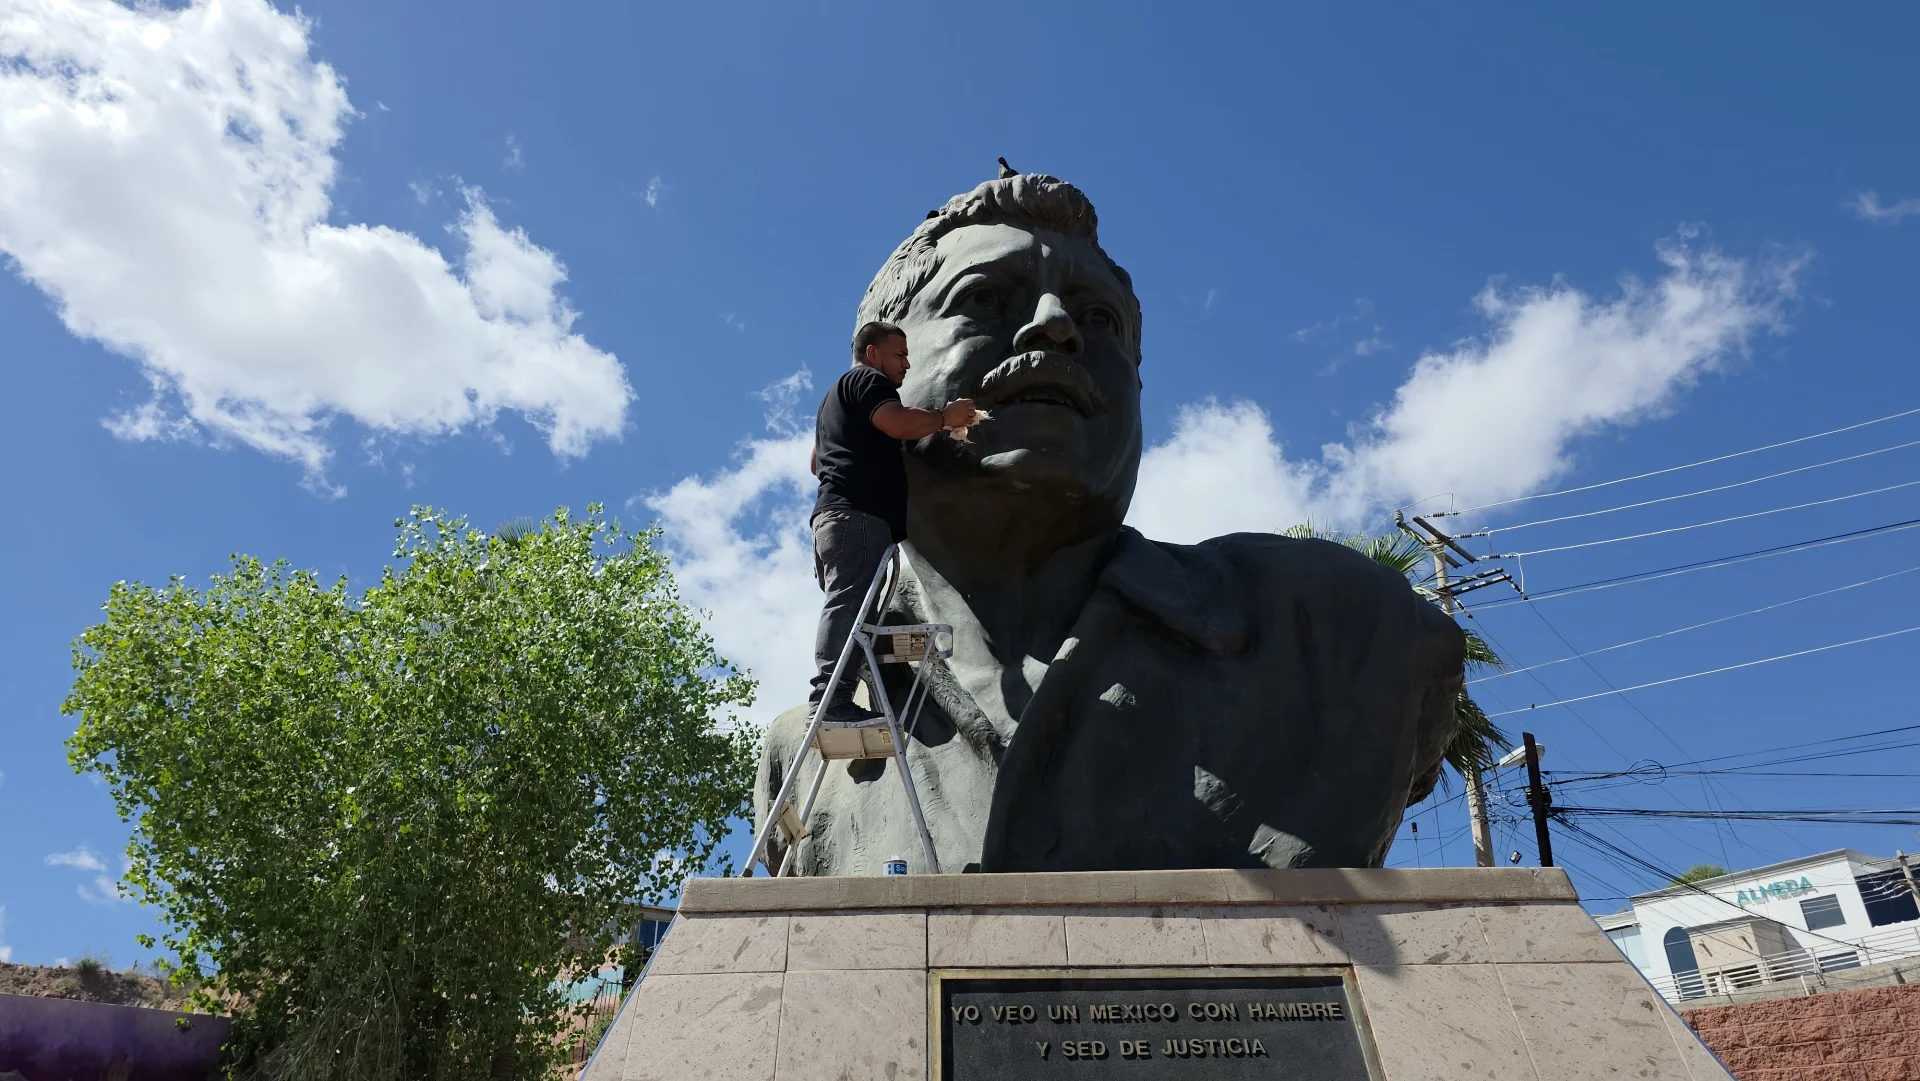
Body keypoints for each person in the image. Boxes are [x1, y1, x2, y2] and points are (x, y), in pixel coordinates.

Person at [758, 170, 1462, 876]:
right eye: (983, 299)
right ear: (883, 368)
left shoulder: (1343, 634)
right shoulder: (802, 755)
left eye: (1099, 320)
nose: (1055, 325)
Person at [807, 321, 976, 724]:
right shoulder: (868, 381)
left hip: (832, 520)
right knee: (848, 605)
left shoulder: (833, 400)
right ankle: (830, 701)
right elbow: (898, 424)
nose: (907, 363)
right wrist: (945, 418)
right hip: (857, 517)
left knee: (853, 609)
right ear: (872, 354)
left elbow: (816, 463)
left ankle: (839, 696)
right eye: (899, 354)